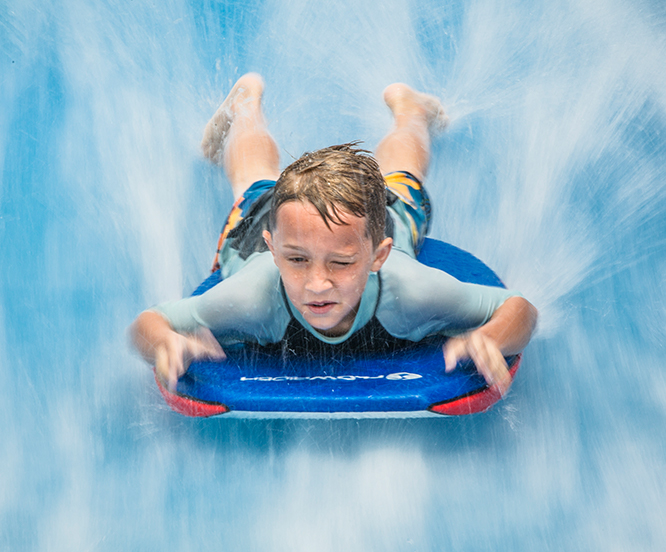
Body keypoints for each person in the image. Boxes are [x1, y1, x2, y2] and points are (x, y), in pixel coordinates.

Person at [131, 73, 537, 395]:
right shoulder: (252, 296)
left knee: (401, 184)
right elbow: (150, 322)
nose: (317, 283)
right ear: (275, 252)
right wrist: (164, 343)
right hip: (264, 229)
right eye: (296, 261)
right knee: (255, 184)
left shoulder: (412, 290)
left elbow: (519, 310)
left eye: (341, 264)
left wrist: (490, 337)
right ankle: (245, 107)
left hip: (366, 218)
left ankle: (411, 112)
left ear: (379, 256)